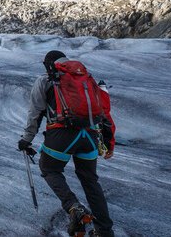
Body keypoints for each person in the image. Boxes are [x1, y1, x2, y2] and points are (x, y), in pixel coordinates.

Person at [18, 50, 115, 237]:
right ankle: (104, 231)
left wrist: (26, 140)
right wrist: (108, 142)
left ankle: (74, 208)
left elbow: (35, 113)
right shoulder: (87, 80)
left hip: (62, 135)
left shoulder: (47, 80)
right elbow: (103, 112)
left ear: (48, 65)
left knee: (49, 169)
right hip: (90, 136)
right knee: (90, 181)